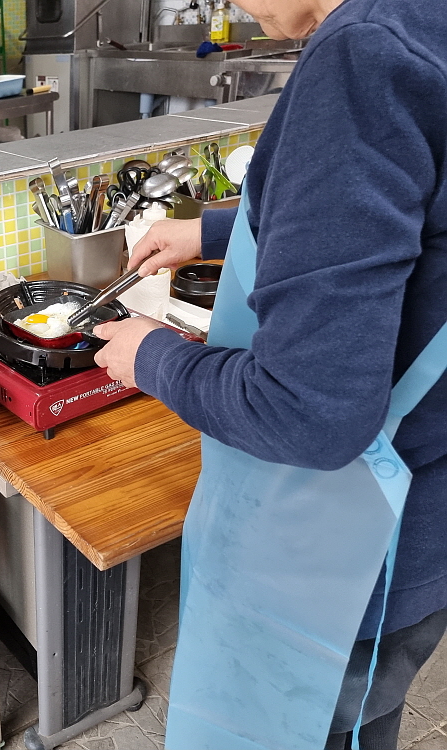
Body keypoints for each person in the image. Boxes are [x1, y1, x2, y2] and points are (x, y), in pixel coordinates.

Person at [91, 1, 447, 748]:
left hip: (343, 554)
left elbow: (309, 412)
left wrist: (152, 357)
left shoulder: (363, 59)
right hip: (424, 508)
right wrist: (214, 228)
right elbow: (398, 211)